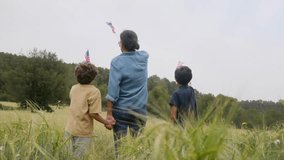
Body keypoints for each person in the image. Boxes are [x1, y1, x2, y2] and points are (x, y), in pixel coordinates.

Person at [105, 30, 149, 157]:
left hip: (120, 111)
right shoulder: (144, 57)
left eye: (120, 41)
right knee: (138, 149)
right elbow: (142, 52)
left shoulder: (116, 62)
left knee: (120, 149)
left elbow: (112, 90)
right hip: (140, 111)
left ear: (122, 44)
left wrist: (109, 114)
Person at [64, 62, 114, 158]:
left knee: (67, 157)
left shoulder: (73, 88)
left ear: (76, 75)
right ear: (93, 77)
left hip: (69, 129)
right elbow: (93, 113)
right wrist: (106, 122)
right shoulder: (94, 91)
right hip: (83, 132)